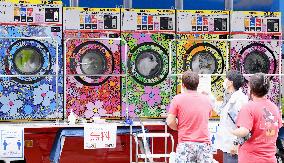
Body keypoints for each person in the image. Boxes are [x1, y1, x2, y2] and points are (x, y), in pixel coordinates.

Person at [232, 73, 282, 163]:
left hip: (251, 158)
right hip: (270, 158)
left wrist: (231, 131)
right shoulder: (274, 108)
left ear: (250, 88)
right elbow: (276, 129)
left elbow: (244, 131)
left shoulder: (248, 108)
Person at [167, 71, 214, 162]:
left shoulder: (177, 99)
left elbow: (170, 121)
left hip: (185, 144)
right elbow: (208, 117)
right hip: (204, 145)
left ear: (183, 85)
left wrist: (179, 128)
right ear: (198, 84)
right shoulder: (207, 100)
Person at [212, 70, 248, 163]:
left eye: (226, 78)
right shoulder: (228, 96)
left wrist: (235, 143)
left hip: (233, 146)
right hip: (227, 144)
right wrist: (210, 98)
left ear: (230, 82)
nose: (224, 81)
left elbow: (241, 124)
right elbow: (222, 111)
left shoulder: (239, 100)